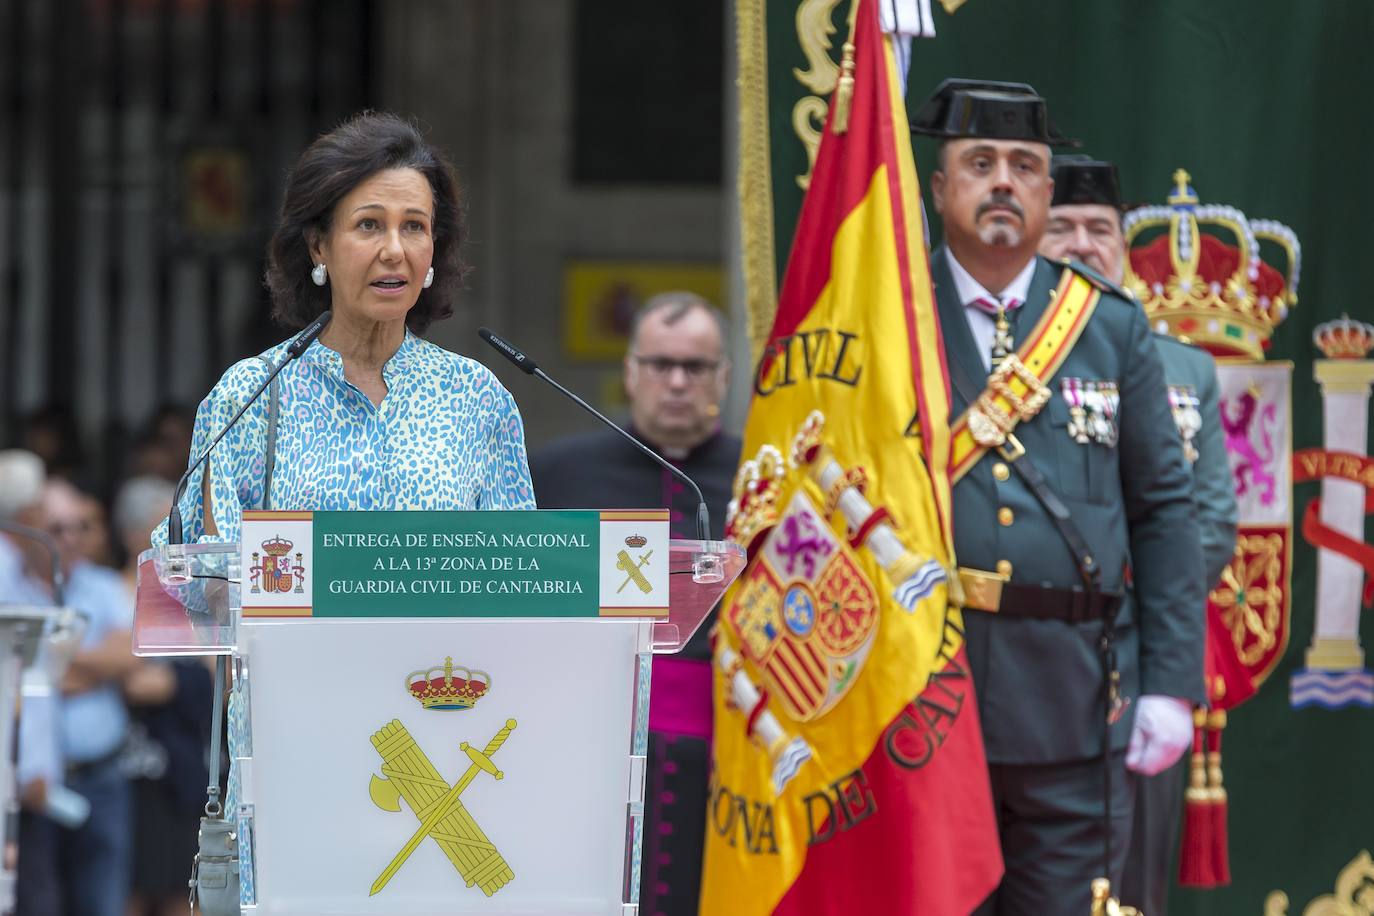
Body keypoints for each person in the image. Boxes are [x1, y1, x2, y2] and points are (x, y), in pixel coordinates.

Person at [152, 112, 536, 904]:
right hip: (300, 762)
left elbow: (524, 587)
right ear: (318, 248)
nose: (395, 250)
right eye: (369, 225)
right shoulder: (252, 397)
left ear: (435, 253)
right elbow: (186, 579)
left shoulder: (480, 402)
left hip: (448, 756)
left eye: (415, 227)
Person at [911, 79, 1206, 914]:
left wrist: (1169, 684)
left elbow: (1163, 511)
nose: (1002, 181)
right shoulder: (892, 315)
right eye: (979, 162)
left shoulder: (1109, 327)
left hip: (1074, 705)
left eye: (1023, 165)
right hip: (925, 698)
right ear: (941, 188)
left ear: (1047, 189)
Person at [1040, 154, 1238, 916]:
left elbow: (1211, 519)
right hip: (1024, 646)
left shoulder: (1185, 369)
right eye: (1063, 228)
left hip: (1139, 648)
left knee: (1129, 883)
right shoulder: (995, 362)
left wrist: (1126, 585)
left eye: (1101, 230)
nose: (1084, 244)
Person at [528, 292, 740, 916]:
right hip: (596, 752)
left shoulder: (766, 475)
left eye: (696, 367)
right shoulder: (557, 475)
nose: (677, 381)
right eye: (659, 364)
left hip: (730, 759)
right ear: (629, 371)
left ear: (724, 377)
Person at [116, 476, 211, 916]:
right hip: (137, 763)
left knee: (184, 887)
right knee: (134, 888)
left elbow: (214, 670)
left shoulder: (197, 587)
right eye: (162, 529)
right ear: (136, 535)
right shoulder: (116, 588)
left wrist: (171, 678)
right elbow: (130, 679)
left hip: (193, 759)